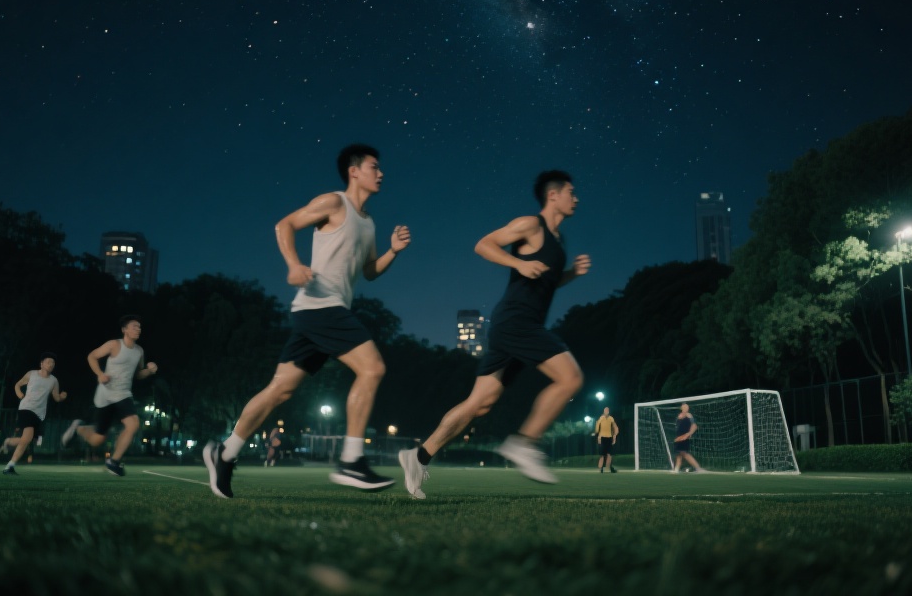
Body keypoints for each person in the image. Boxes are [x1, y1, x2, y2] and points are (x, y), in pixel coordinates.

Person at [204, 144, 412, 499]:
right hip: (322, 307)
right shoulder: (334, 203)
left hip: (316, 313)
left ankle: (225, 453)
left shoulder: (369, 222)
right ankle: (351, 459)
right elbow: (285, 224)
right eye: (374, 167)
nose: (381, 173)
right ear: (354, 171)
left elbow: (369, 272)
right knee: (373, 368)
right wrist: (293, 265)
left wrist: (392, 251)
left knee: (280, 390)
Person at [399, 170, 590, 499]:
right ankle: (525, 444)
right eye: (571, 192)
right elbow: (483, 245)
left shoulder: (559, 242)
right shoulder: (531, 225)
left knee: (480, 403)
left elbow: (545, 280)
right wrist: (517, 262)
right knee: (570, 378)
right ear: (553, 195)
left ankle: (418, 456)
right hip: (517, 323)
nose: (576, 198)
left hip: (515, 327)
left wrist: (571, 274)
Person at [61, 315, 158, 476]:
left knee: (133, 424)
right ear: (124, 329)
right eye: (134, 326)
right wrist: (99, 374)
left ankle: (113, 461)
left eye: (140, 327)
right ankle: (78, 428)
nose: (138, 329)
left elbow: (138, 374)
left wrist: (149, 370)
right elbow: (92, 356)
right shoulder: (114, 345)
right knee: (97, 440)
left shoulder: (139, 351)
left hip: (123, 394)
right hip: (105, 395)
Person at [2, 352, 68, 475]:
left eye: (53, 363)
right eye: (48, 362)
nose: (51, 364)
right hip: (26, 408)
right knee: (27, 438)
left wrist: (62, 396)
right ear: (42, 364)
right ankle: (9, 466)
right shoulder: (31, 374)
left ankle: (9, 442)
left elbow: (56, 397)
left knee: (27, 440)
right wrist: (20, 394)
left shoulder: (54, 381)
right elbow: (18, 384)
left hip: (39, 413)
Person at [672, 402, 708, 473]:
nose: (686, 408)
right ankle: (676, 469)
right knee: (678, 453)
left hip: (685, 437)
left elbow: (694, 425)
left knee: (685, 453)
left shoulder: (689, 415)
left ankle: (698, 468)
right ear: (681, 408)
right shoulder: (679, 416)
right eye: (684, 407)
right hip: (679, 437)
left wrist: (689, 434)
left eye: (687, 407)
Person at [595, 406, 619, 474]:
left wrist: (615, 435)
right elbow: (597, 428)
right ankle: (601, 468)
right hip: (602, 438)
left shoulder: (611, 418)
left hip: (609, 438)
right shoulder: (601, 418)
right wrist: (598, 436)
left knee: (610, 454)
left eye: (607, 410)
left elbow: (615, 427)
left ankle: (610, 468)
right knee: (602, 454)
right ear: (603, 411)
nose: (606, 411)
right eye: (605, 410)